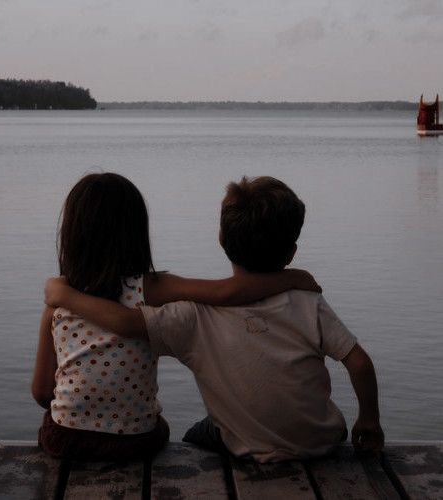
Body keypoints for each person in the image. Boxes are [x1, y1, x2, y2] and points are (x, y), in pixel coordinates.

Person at [44, 176, 384, 463]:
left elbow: (126, 325)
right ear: (291, 252)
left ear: (222, 240)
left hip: (246, 447)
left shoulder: (190, 317)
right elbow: (360, 363)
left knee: (197, 433)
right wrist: (368, 421)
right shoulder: (309, 303)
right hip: (322, 439)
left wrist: (64, 297)